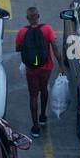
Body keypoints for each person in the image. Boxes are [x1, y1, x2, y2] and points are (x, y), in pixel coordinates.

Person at [15, 8, 57, 136]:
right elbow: (55, 47)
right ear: (38, 16)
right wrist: (61, 64)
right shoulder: (47, 29)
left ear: (27, 18)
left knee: (33, 96)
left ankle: (35, 127)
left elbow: (18, 48)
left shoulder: (22, 31)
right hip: (46, 67)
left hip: (31, 69)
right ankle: (43, 117)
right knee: (44, 89)